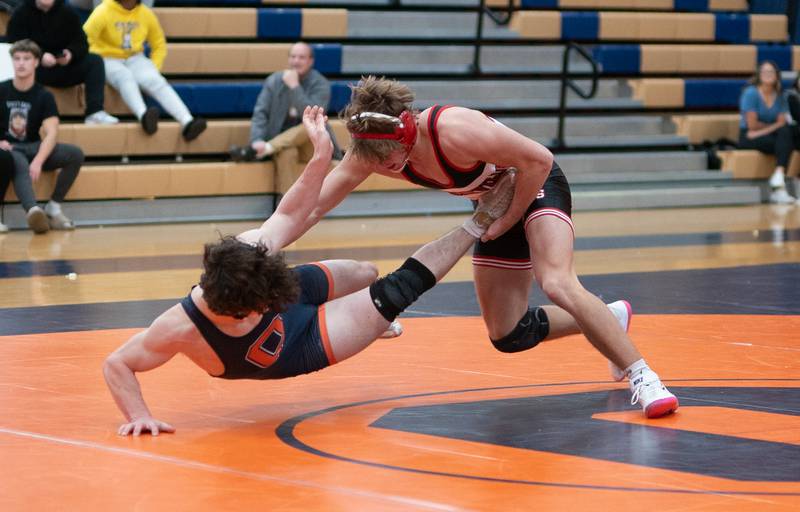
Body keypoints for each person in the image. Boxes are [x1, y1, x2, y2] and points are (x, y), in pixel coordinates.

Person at [103, 105, 516, 436]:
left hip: (275, 305)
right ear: (247, 310)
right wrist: (138, 415)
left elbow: (290, 210)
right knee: (394, 292)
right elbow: (117, 363)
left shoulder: (248, 254)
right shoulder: (179, 327)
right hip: (292, 350)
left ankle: (366, 312)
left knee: (363, 271)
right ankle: (476, 224)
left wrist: (320, 155)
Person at [284, 76, 679, 419]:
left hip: (535, 186)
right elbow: (314, 205)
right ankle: (607, 317)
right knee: (508, 334)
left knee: (557, 282)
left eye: (389, 159)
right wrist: (266, 244)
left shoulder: (454, 129)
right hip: (492, 207)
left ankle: (645, 378)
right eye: (376, 162)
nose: (386, 169)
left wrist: (504, 219)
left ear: (406, 131)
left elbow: (539, 160)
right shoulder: (372, 148)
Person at [83, 0, 207, 140]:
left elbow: (159, 44)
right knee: (125, 76)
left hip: (135, 58)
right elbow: (84, 38)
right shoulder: (103, 10)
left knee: (156, 80)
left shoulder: (145, 13)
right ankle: (144, 116)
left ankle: (187, 121)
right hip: (106, 58)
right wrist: (96, 60)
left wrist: (154, 67)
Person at [0, 40, 84, 233]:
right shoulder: (2, 90)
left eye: (26, 59)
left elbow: (52, 132)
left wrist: (38, 160)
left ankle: (53, 208)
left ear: (36, 62)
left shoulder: (43, 95)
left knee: (74, 154)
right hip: (9, 149)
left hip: (34, 146)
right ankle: (33, 212)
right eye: (17, 58)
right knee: (17, 161)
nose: (21, 63)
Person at [6, 0, 118, 125]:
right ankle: (24, 115)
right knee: (22, 63)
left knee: (95, 61)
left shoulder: (67, 12)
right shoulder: (21, 13)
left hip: (64, 67)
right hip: (36, 69)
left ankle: (95, 112)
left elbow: (82, 42)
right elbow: (14, 42)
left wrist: (71, 54)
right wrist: (39, 56)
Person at [230, 42, 341, 162]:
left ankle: (267, 148)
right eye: (293, 57)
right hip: (282, 144)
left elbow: (313, 116)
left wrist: (294, 87)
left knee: (309, 123)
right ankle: (268, 149)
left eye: (301, 57)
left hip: (312, 146)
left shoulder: (321, 84)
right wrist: (257, 140)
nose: (296, 61)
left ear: (311, 61)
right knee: (286, 153)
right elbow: (260, 113)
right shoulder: (274, 81)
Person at [738, 61, 800, 204]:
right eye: (765, 72)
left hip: (770, 135)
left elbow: (782, 123)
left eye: (771, 72)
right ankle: (779, 187)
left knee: (787, 135)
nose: (768, 75)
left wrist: (771, 127)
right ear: (759, 75)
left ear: (777, 75)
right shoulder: (751, 93)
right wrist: (774, 126)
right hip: (748, 137)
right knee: (786, 141)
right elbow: (752, 126)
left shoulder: (780, 95)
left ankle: (779, 179)